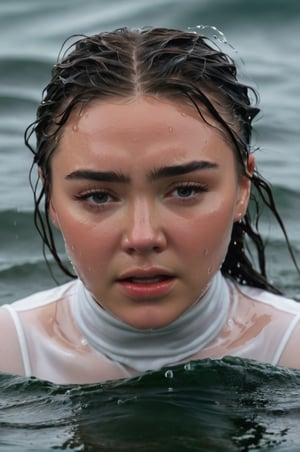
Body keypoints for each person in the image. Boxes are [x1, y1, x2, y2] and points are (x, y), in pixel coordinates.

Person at [0, 26, 300, 384]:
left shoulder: (291, 349)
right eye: (98, 196)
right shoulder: (10, 354)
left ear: (241, 188)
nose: (142, 237)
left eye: (186, 191)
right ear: (52, 199)